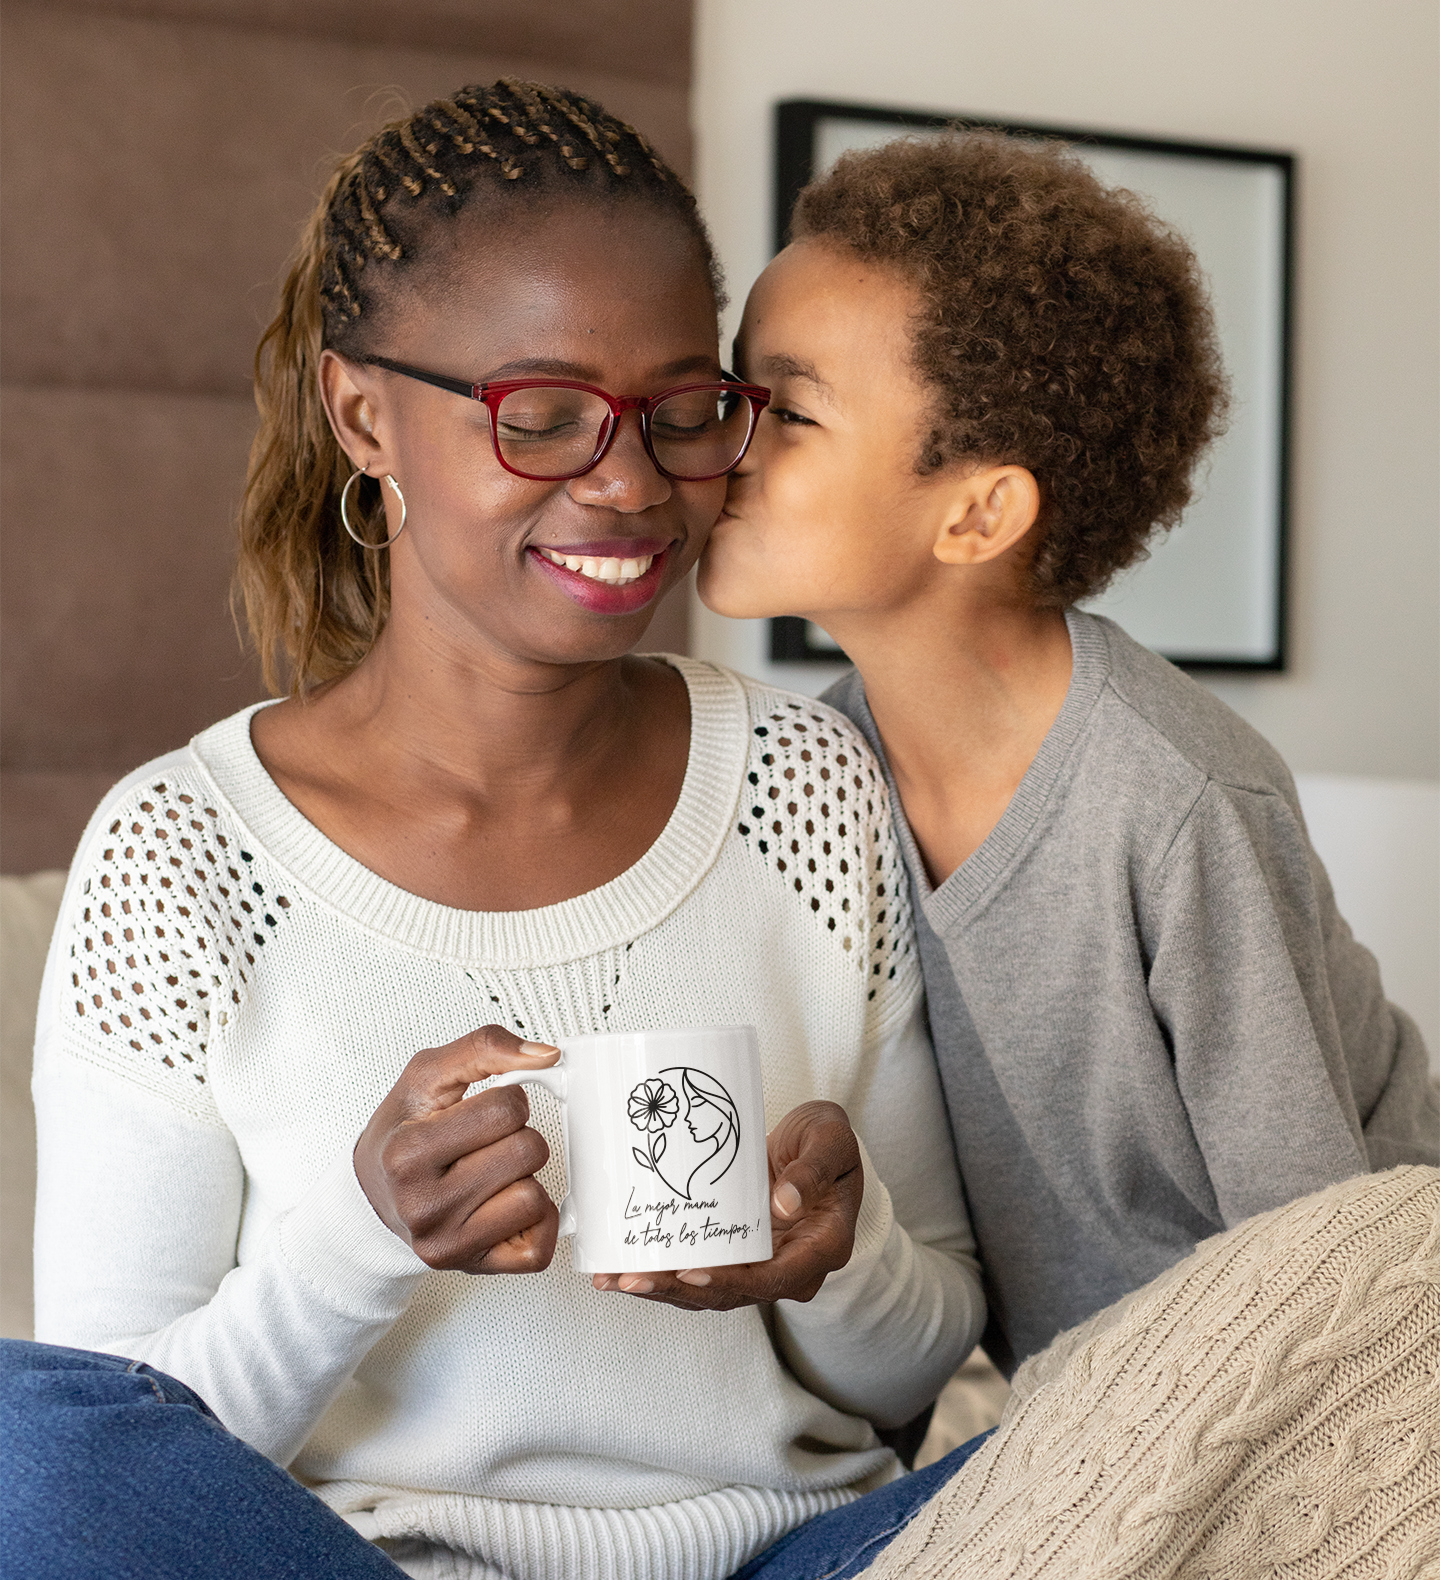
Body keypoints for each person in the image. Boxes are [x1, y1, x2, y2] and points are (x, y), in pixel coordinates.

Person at [3, 83, 985, 1580]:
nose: (631, 484)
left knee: (1232, 1376)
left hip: (796, 1560)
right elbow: (111, 1436)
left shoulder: (806, 783)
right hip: (373, 1569)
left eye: (682, 412)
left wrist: (835, 1262)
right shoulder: (180, 857)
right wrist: (358, 1233)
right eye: (540, 416)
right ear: (362, 413)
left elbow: (923, 1366)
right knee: (23, 1438)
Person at [700, 130, 1440, 1379]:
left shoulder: (1180, 796)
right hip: (1067, 1403)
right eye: (735, 392)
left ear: (979, 510)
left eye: (791, 410)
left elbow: (1324, 1265)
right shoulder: (811, 775)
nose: (727, 439)